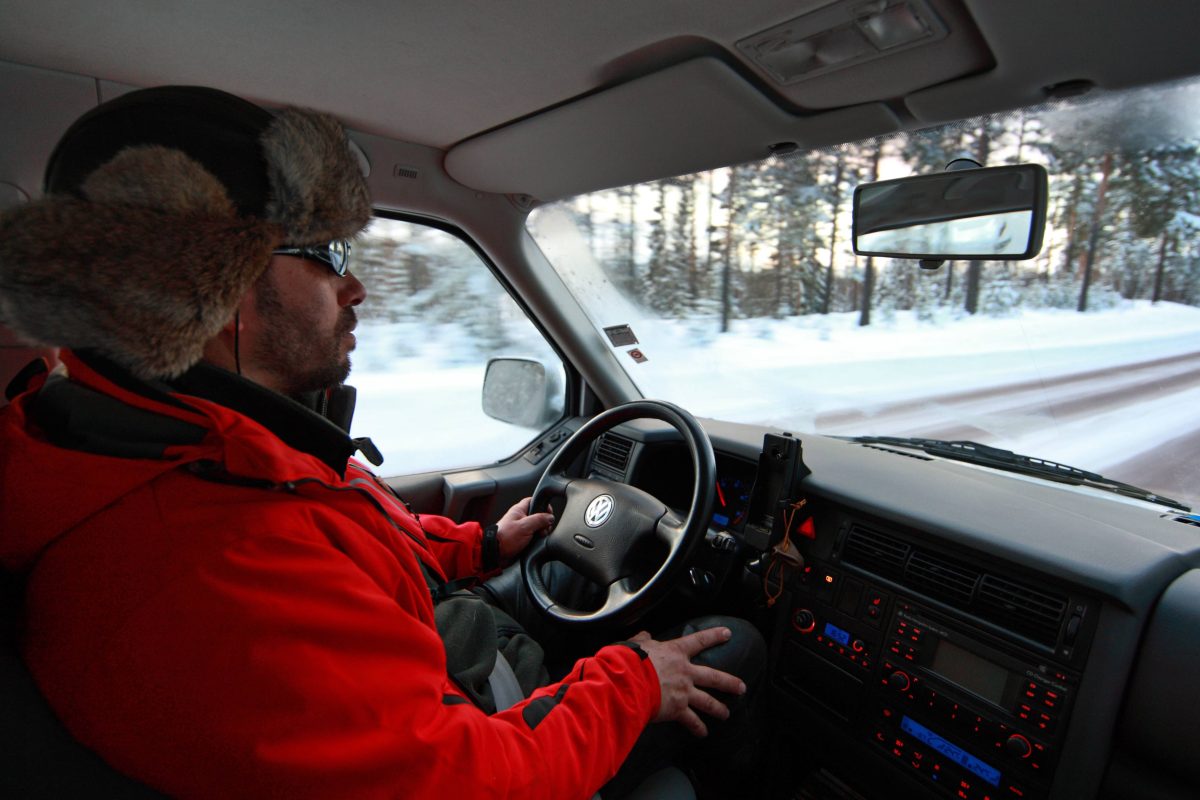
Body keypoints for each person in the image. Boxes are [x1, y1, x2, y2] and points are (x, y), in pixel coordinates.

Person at [0, 86, 762, 799]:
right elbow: (467, 777)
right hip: (475, 738)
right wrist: (632, 682)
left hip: (434, 677)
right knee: (731, 649)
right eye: (327, 256)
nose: (355, 288)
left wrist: (477, 545)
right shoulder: (202, 566)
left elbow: (341, 543)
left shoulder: (201, 448)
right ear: (215, 285)